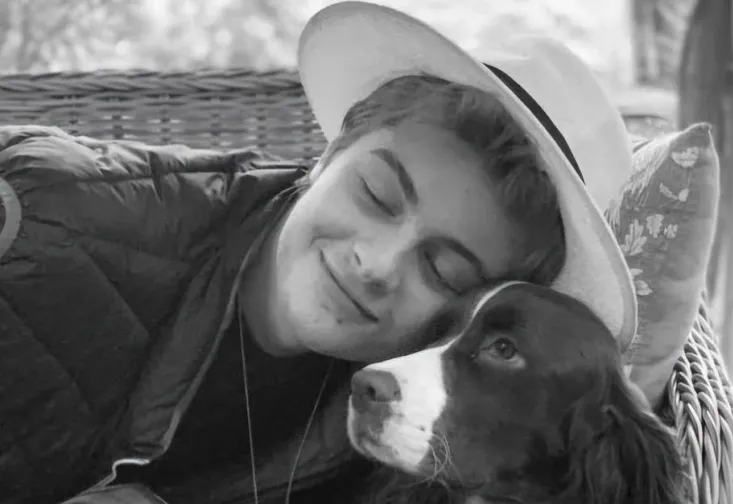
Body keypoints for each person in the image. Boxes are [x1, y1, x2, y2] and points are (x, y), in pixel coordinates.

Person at [0, 2, 637, 504]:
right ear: (328, 153)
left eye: (441, 270)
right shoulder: (43, 215)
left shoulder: (420, 416)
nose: (377, 264)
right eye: (376, 195)